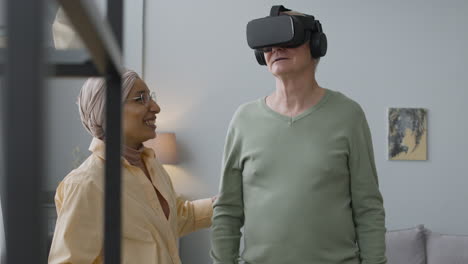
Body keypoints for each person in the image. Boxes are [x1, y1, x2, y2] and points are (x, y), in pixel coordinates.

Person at [210, 6, 386, 264]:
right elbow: (227, 211)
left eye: (287, 39)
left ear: (315, 45)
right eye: (268, 44)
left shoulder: (348, 115)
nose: (276, 49)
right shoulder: (243, 119)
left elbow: (368, 208)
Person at [48, 70, 214, 264]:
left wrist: (227, 202)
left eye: (150, 97)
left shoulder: (152, 165)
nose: (156, 107)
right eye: (140, 98)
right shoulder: (86, 184)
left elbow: (174, 218)